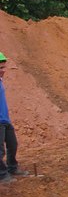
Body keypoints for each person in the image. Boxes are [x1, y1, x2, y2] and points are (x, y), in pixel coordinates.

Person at [0, 52, 27, 184]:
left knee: (12, 144)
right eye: (0, 68)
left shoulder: (0, 81)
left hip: (5, 120)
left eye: (4, 67)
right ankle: (2, 175)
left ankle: (12, 167)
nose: (3, 70)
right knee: (0, 151)